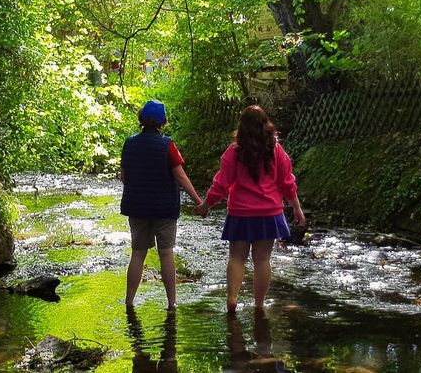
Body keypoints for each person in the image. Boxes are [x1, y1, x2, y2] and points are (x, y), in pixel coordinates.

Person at [196, 105, 306, 312]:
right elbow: (287, 183)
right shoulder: (276, 150)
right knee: (262, 259)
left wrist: (205, 205)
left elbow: (221, 184)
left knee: (237, 258)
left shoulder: (234, 152)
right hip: (269, 213)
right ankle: (259, 305)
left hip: (240, 213)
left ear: (242, 127)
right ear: (266, 125)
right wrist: (297, 209)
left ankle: (232, 299)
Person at [120, 99, 202, 310]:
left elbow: (124, 177)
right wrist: (199, 202)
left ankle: (129, 301)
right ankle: (172, 303)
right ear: (163, 122)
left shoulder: (129, 144)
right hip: (164, 209)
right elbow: (181, 177)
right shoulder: (168, 145)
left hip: (137, 207)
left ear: (141, 119)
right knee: (166, 253)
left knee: (137, 253)